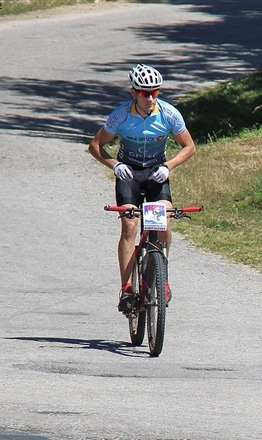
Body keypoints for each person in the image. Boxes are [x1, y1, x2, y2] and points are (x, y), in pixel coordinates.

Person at [88, 64, 196, 313]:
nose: (150, 99)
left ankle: (161, 275)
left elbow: (189, 146)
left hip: (157, 174)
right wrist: (114, 165)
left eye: (155, 93)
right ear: (133, 93)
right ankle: (126, 288)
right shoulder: (121, 115)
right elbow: (96, 145)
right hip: (130, 174)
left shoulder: (169, 114)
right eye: (145, 93)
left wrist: (168, 167)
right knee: (130, 225)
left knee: (164, 222)